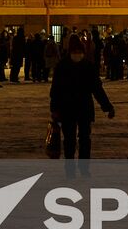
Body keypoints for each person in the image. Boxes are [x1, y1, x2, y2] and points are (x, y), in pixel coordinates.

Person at [49, 34, 116, 166]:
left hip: (76, 109)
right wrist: (55, 109)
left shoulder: (77, 66)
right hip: (73, 109)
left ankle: (79, 168)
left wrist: (107, 106)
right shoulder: (70, 67)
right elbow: (55, 90)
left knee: (80, 139)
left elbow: (97, 89)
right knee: (73, 139)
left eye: (79, 52)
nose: (77, 55)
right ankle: (73, 168)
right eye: (75, 52)